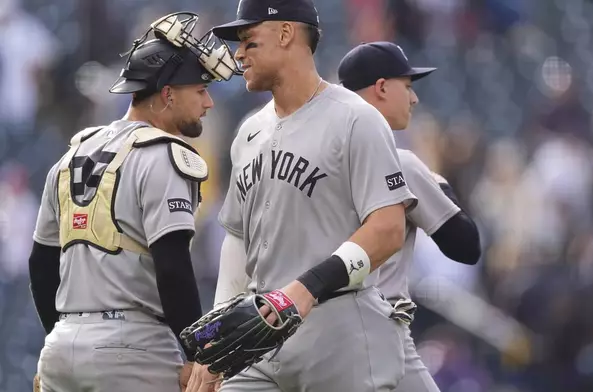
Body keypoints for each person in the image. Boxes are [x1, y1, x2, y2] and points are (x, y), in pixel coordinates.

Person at [187, 0, 419, 391]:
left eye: (249, 40)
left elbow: (387, 229)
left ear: (285, 33)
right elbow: (238, 241)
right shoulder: (248, 133)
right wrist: (217, 345)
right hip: (258, 336)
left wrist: (307, 287)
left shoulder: (355, 118)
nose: (238, 53)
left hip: (339, 332)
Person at [28, 12, 238, 392]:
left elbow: (40, 264)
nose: (208, 102)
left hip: (61, 350)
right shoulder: (164, 154)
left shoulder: (70, 156)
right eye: (200, 89)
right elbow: (173, 268)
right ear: (168, 93)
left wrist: (60, 338)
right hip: (132, 352)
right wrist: (199, 354)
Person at [337, 41, 482, 391]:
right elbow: (466, 247)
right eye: (408, 87)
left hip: (313, 328)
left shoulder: (315, 162)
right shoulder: (400, 164)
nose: (414, 99)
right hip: (381, 331)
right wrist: (441, 188)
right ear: (382, 88)